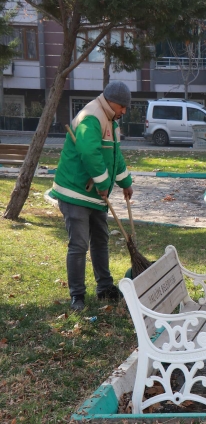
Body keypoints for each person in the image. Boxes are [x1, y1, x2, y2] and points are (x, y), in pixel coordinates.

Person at [50, 81, 134, 312]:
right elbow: (89, 152)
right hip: (75, 191)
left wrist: (125, 182)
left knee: (101, 240)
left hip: (95, 194)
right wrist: (104, 183)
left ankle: (104, 287)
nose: (124, 111)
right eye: (122, 107)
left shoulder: (112, 121)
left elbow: (115, 155)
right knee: (79, 245)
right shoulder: (91, 116)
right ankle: (77, 296)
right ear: (111, 101)